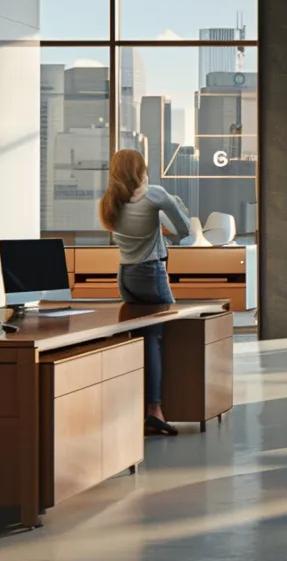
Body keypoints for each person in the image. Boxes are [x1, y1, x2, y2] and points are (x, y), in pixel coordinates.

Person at [98, 149, 191, 436]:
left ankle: (143, 409)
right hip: (151, 273)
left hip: (125, 276)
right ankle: (156, 409)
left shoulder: (109, 201)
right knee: (170, 335)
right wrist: (174, 204)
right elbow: (184, 229)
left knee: (142, 338)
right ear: (140, 170)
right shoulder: (155, 194)